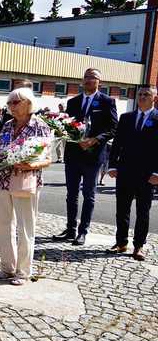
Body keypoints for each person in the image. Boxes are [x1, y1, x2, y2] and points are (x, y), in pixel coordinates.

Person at [0, 88, 53, 285]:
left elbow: (48, 159)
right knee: (2, 225)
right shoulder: (8, 125)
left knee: (25, 228)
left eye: (15, 102)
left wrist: (30, 165)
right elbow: (0, 150)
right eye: (9, 103)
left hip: (25, 181)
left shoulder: (40, 126)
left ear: (28, 103)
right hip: (2, 180)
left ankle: (23, 272)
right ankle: (7, 267)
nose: (11, 107)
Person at [53, 68, 117, 246]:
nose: (88, 80)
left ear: (99, 82)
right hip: (73, 155)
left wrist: (95, 140)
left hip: (93, 156)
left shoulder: (107, 102)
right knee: (71, 194)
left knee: (89, 195)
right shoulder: (73, 101)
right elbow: (66, 126)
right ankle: (70, 229)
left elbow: (113, 128)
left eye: (93, 77)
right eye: (86, 77)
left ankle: (83, 232)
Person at [107, 85, 158, 261]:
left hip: (147, 175)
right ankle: (121, 243)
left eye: (147, 94)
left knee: (143, 212)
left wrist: (157, 173)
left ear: (154, 98)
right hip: (125, 172)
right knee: (122, 210)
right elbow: (117, 143)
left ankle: (139, 246)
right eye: (140, 94)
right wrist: (112, 166)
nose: (143, 97)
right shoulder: (126, 117)